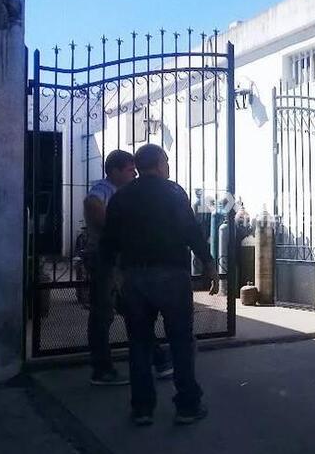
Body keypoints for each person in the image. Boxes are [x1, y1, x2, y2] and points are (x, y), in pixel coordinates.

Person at [101, 144, 219, 426]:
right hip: (172, 276)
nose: (168, 166)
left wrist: (113, 275)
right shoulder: (173, 192)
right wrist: (208, 262)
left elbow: (108, 241)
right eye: (166, 161)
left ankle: (142, 409)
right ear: (159, 164)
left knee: (139, 343)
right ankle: (187, 407)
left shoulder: (122, 196)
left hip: (135, 277)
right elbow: (191, 230)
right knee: (180, 340)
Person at [83, 150, 173, 386]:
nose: (134, 173)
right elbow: (93, 206)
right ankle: (102, 370)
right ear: (114, 171)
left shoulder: (127, 192)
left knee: (135, 311)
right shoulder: (103, 190)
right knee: (104, 313)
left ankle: (159, 360)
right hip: (105, 260)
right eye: (129, 170)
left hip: (121, 261)